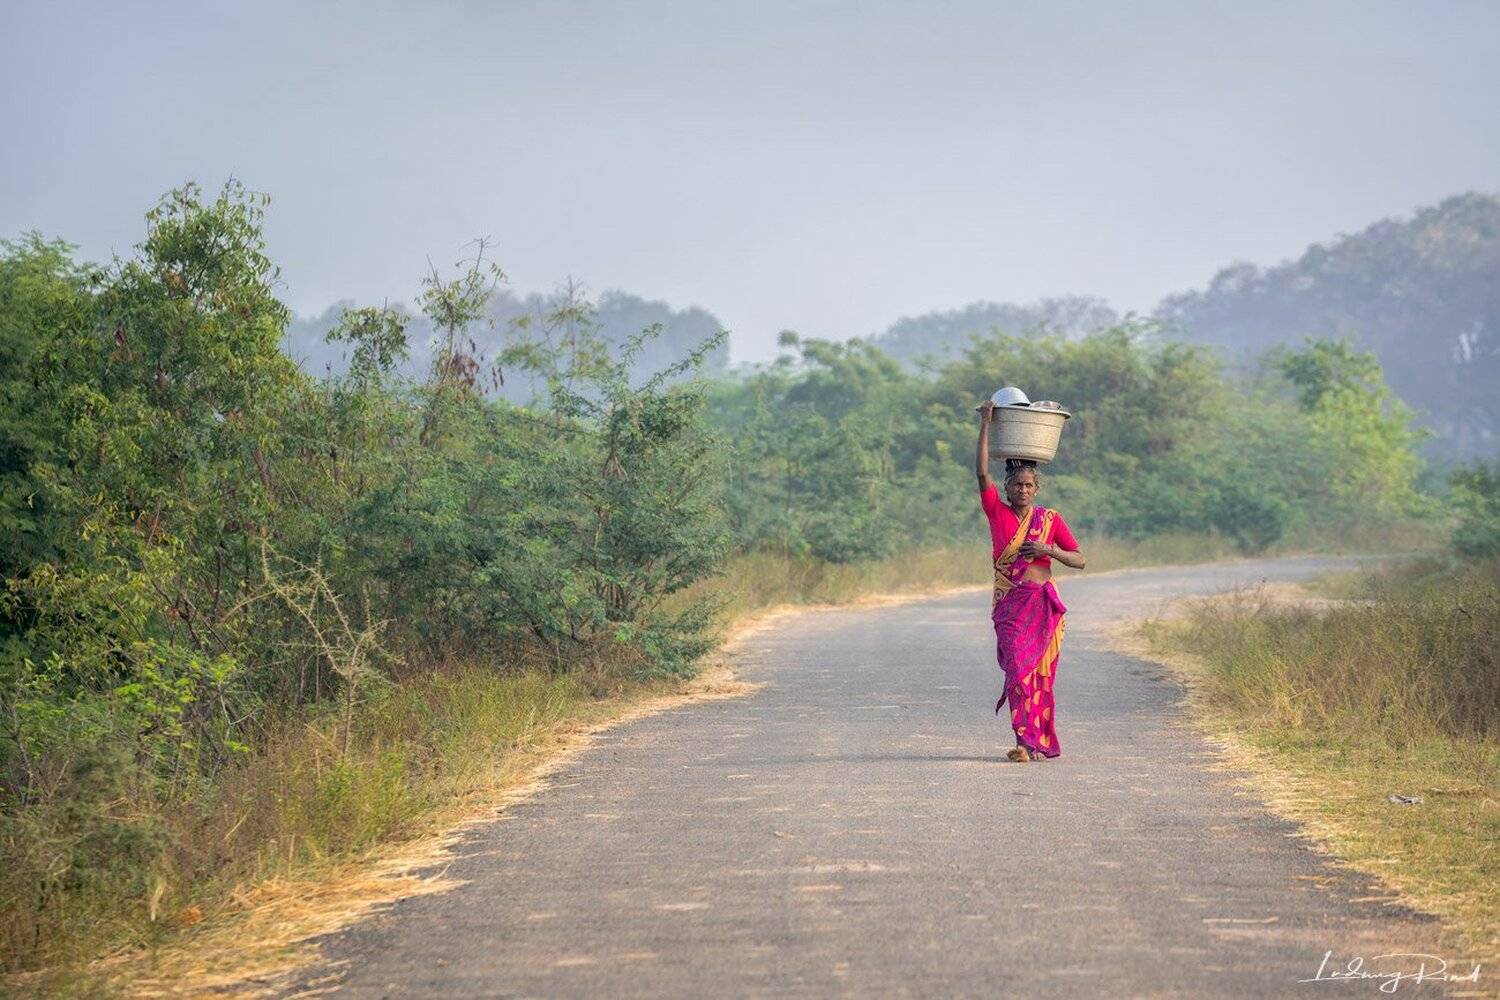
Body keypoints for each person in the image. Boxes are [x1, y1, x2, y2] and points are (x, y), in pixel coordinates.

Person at [975, 400, 1086, 762]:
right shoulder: (996, 511)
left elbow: (1080, 560)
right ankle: (1024, 741)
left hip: (1044, 607)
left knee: (1041, 678)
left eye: (1028, 484)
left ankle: (1033, 744)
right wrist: (987, 423)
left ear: (1036, 488)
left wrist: (1048, 550)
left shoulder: (1050, 520)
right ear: (1006, 488)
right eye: (1016, 484)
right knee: (1018, 672)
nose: (1022, 490)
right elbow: (980, 474)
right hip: (1010, 608)